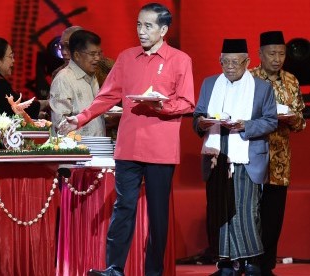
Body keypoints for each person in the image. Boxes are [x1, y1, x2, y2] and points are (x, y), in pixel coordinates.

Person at [59, 3, 195, 275]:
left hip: (160, 148)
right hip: (128, 146)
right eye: (138, 25)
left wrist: (162, 107)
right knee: (124, 207)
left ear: (163, 30)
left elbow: (187, 103)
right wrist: (80, 118)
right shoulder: (126, 57)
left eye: (148, 26)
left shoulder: (180, 60)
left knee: (157, 215)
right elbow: (108, 96)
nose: (141, 31)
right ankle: (114, 268)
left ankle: (153, 271)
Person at [193, 38, 278, 276]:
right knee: (220, 210)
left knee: (247, 211)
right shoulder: (210, 84)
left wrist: (245, 125)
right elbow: (198, 115)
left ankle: (251, 263)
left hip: (246, 158)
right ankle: (227, 264)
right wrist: (201, 122)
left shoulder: (262, 88)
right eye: (225, 62)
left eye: (236, 62)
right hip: (216, 156)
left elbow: (271, 121)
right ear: (220, 61)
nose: (230, 67)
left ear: (247, 62)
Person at [249, 30, 306, 276]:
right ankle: (248, 263)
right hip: (252, 155)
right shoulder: (248, 78)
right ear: (260, 54)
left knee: (273, 215)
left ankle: (266, 265)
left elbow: (301, 121)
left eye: (281, 54)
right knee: (250, 212)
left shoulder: (292, 80)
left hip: (280, 157)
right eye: (272, 53)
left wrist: (292, 119)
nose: (277, 59)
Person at [50, 30, 106, 137]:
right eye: (92, 54)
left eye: (99, 53)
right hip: (76, 150)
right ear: (76, 55)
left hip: (97, 147)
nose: (97, 58)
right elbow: (60, 124)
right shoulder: (63, 79)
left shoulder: (93, 77)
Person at [0, 37, 47, 118]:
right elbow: (19, 108)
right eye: (10, 57)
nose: (13, 61)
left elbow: (6, 111)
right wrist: (46, 103)